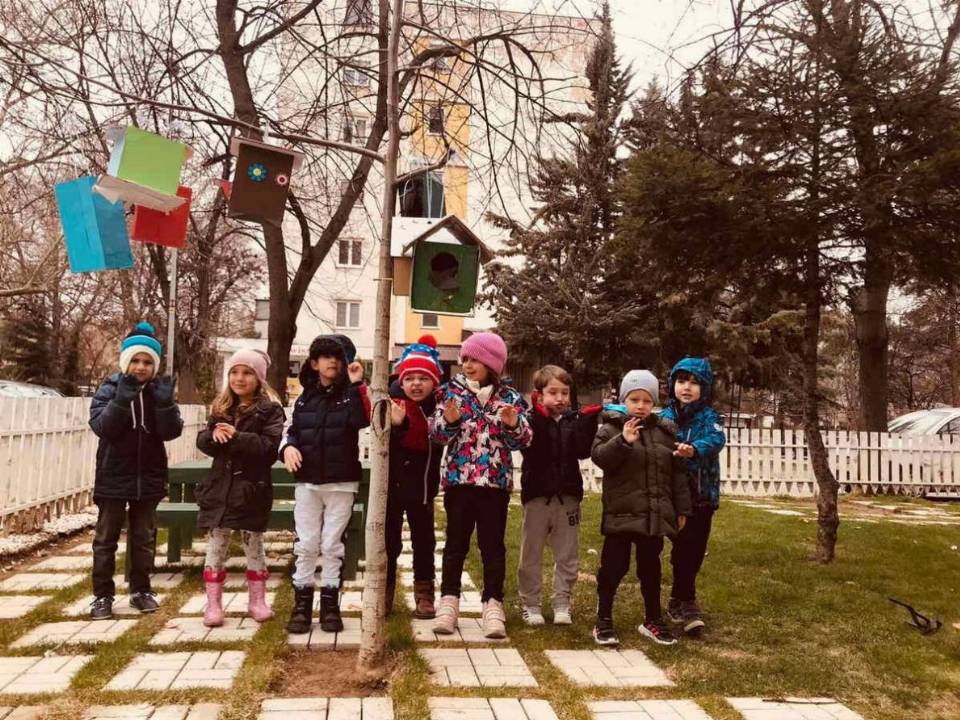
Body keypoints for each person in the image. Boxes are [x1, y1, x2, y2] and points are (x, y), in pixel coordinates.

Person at [429, 332, 532, 639]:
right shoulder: (451, 393)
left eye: (475, 359)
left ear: (492, 364)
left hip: (494, 485)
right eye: (465, 359)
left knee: (492, 546)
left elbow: (524, 440)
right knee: (455, 544)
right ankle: (449, 602)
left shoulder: (510, 398)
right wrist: (449, 421)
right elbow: (437, 434)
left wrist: (513, 424)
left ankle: (493, 604)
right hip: (459, 482)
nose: (468, 365)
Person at [88, 321, 183, 620]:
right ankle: (102, 595)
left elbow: (171, 432)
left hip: (149, 477)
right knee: (106, 539)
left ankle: (141, 590)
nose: (141, 367)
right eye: (136, 361)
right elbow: (102, 427)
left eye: (147, 362)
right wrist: (121, 399)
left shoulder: (158, 392)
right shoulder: (109, 388)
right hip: (113, 476)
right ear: (125, 361)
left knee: (143, 537)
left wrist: (165, 405)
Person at [591, 369, 691, 647]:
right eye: (634, 399)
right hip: (621, 515)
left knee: (650, 570)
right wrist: (623, 441)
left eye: (647, 400)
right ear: (624, 400)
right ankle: (603, 620)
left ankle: (653, 619)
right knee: (613, 568)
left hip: (653, 517)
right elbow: (600, 458)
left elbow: (677, 474)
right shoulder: (611, 428)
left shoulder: (665, 433)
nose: (640, 406)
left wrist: (681, 509)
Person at [282, 334, 369, 634]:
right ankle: (301, 606)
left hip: (341, 483)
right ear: (314, 363)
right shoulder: (304, 398)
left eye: (338, 356)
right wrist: (287, 448)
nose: (333, 361)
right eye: (326, 356)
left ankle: (331, 605)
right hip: (308, 483)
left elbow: (361, 420)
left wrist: (356, 385)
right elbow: (291, 431)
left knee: (332, 545)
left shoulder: (350, 395)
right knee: (306, 544)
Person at [196, 349, 285, 627]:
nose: (239, 378)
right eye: (234, 372)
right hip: (220, 490)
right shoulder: (221, 409)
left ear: (259, 378)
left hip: (251, 490)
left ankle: (257, 601)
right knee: (216, 546)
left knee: (254, 546)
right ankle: (213, 604)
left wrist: (237, 437)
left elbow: (269, 448)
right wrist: (213, 436)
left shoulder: (270, 411)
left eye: (247, 373)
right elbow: (204, 441)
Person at [517, 364, 601, 626]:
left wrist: (588, 423)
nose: (560, 398)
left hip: (568, 497)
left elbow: (582, 451)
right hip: (537, 497)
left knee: (567, 553)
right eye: (553, 393)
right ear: (539, 395)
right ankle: (531, 604)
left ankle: (562, 602)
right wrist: (541, 419)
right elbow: (532, 450)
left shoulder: (572, 421)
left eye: (565, 393)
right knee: (531, 554)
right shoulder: (529, 421)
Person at [660, 357, 726, 636]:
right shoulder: (665, 417)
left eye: (694, 383)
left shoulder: (710, 418)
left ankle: (679, 597)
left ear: (705, 388)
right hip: (674, 495)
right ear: (672, 384)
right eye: (681, 380)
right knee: (682, 546)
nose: (686, 387)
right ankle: (687, 602)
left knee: (695, 549)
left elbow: (716, 440)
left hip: (702, 495)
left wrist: (694, 449)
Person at [385, 335, 445, 618]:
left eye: (423, 378)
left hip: (423, 487)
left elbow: (441, 438)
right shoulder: (392, 404)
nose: (416, 384)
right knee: (389, 542)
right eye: (410, 378)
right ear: (402, 380)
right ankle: (384, 591)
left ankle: (424, 592)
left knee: (424, 542)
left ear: (434, 382)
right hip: (392, 487)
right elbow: (381, 442)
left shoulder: (438, 407)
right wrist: (397, 426)